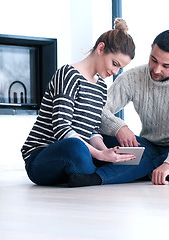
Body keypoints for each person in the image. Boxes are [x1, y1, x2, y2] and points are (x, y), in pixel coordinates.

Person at [68, 30, 169, 187]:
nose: (156, 70)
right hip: (151, 146)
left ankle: (154, 169)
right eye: (153, 60)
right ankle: (151, 170)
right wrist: (118, 126)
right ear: (150, 50)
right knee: (104, 138)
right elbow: (97, 110)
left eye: (166, 66)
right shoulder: (132, 77)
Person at [21, 18, 136, 186]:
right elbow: (62, 128)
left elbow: (93, 131)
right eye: (114, 63)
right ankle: (101, 174)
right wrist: (100, 155)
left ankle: (89, 174)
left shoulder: (101, 87)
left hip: (79, 152)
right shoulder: (68, 74)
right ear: (101, 48)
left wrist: (107, 152)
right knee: (76, 148)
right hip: (42, 156)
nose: (115, 71)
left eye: (120, 68)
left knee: (132, 154)